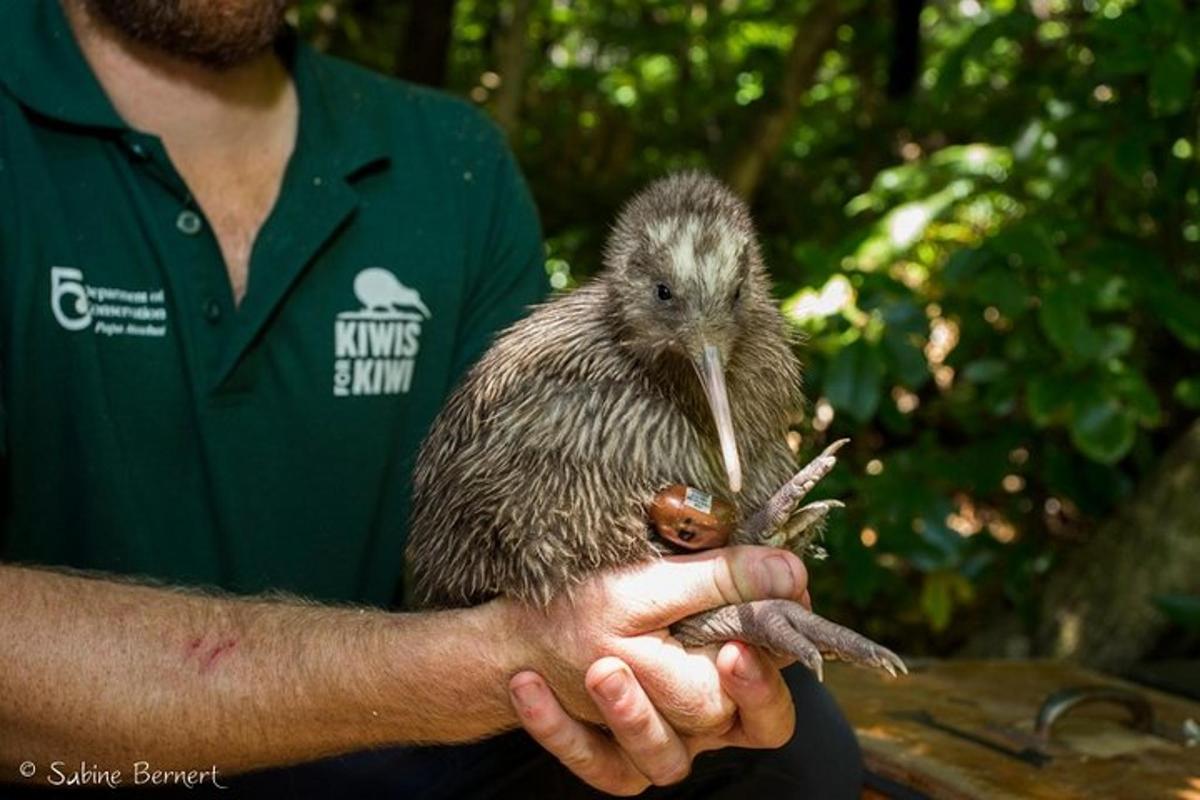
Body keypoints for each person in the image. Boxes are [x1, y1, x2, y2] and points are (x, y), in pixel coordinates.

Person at [0, 1, 863, 796]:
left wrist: (682, 593)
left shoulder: (449, 161)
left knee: (786, 755)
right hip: (70, 766)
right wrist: (485, 665)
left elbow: (522, 540)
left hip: (381, 749)